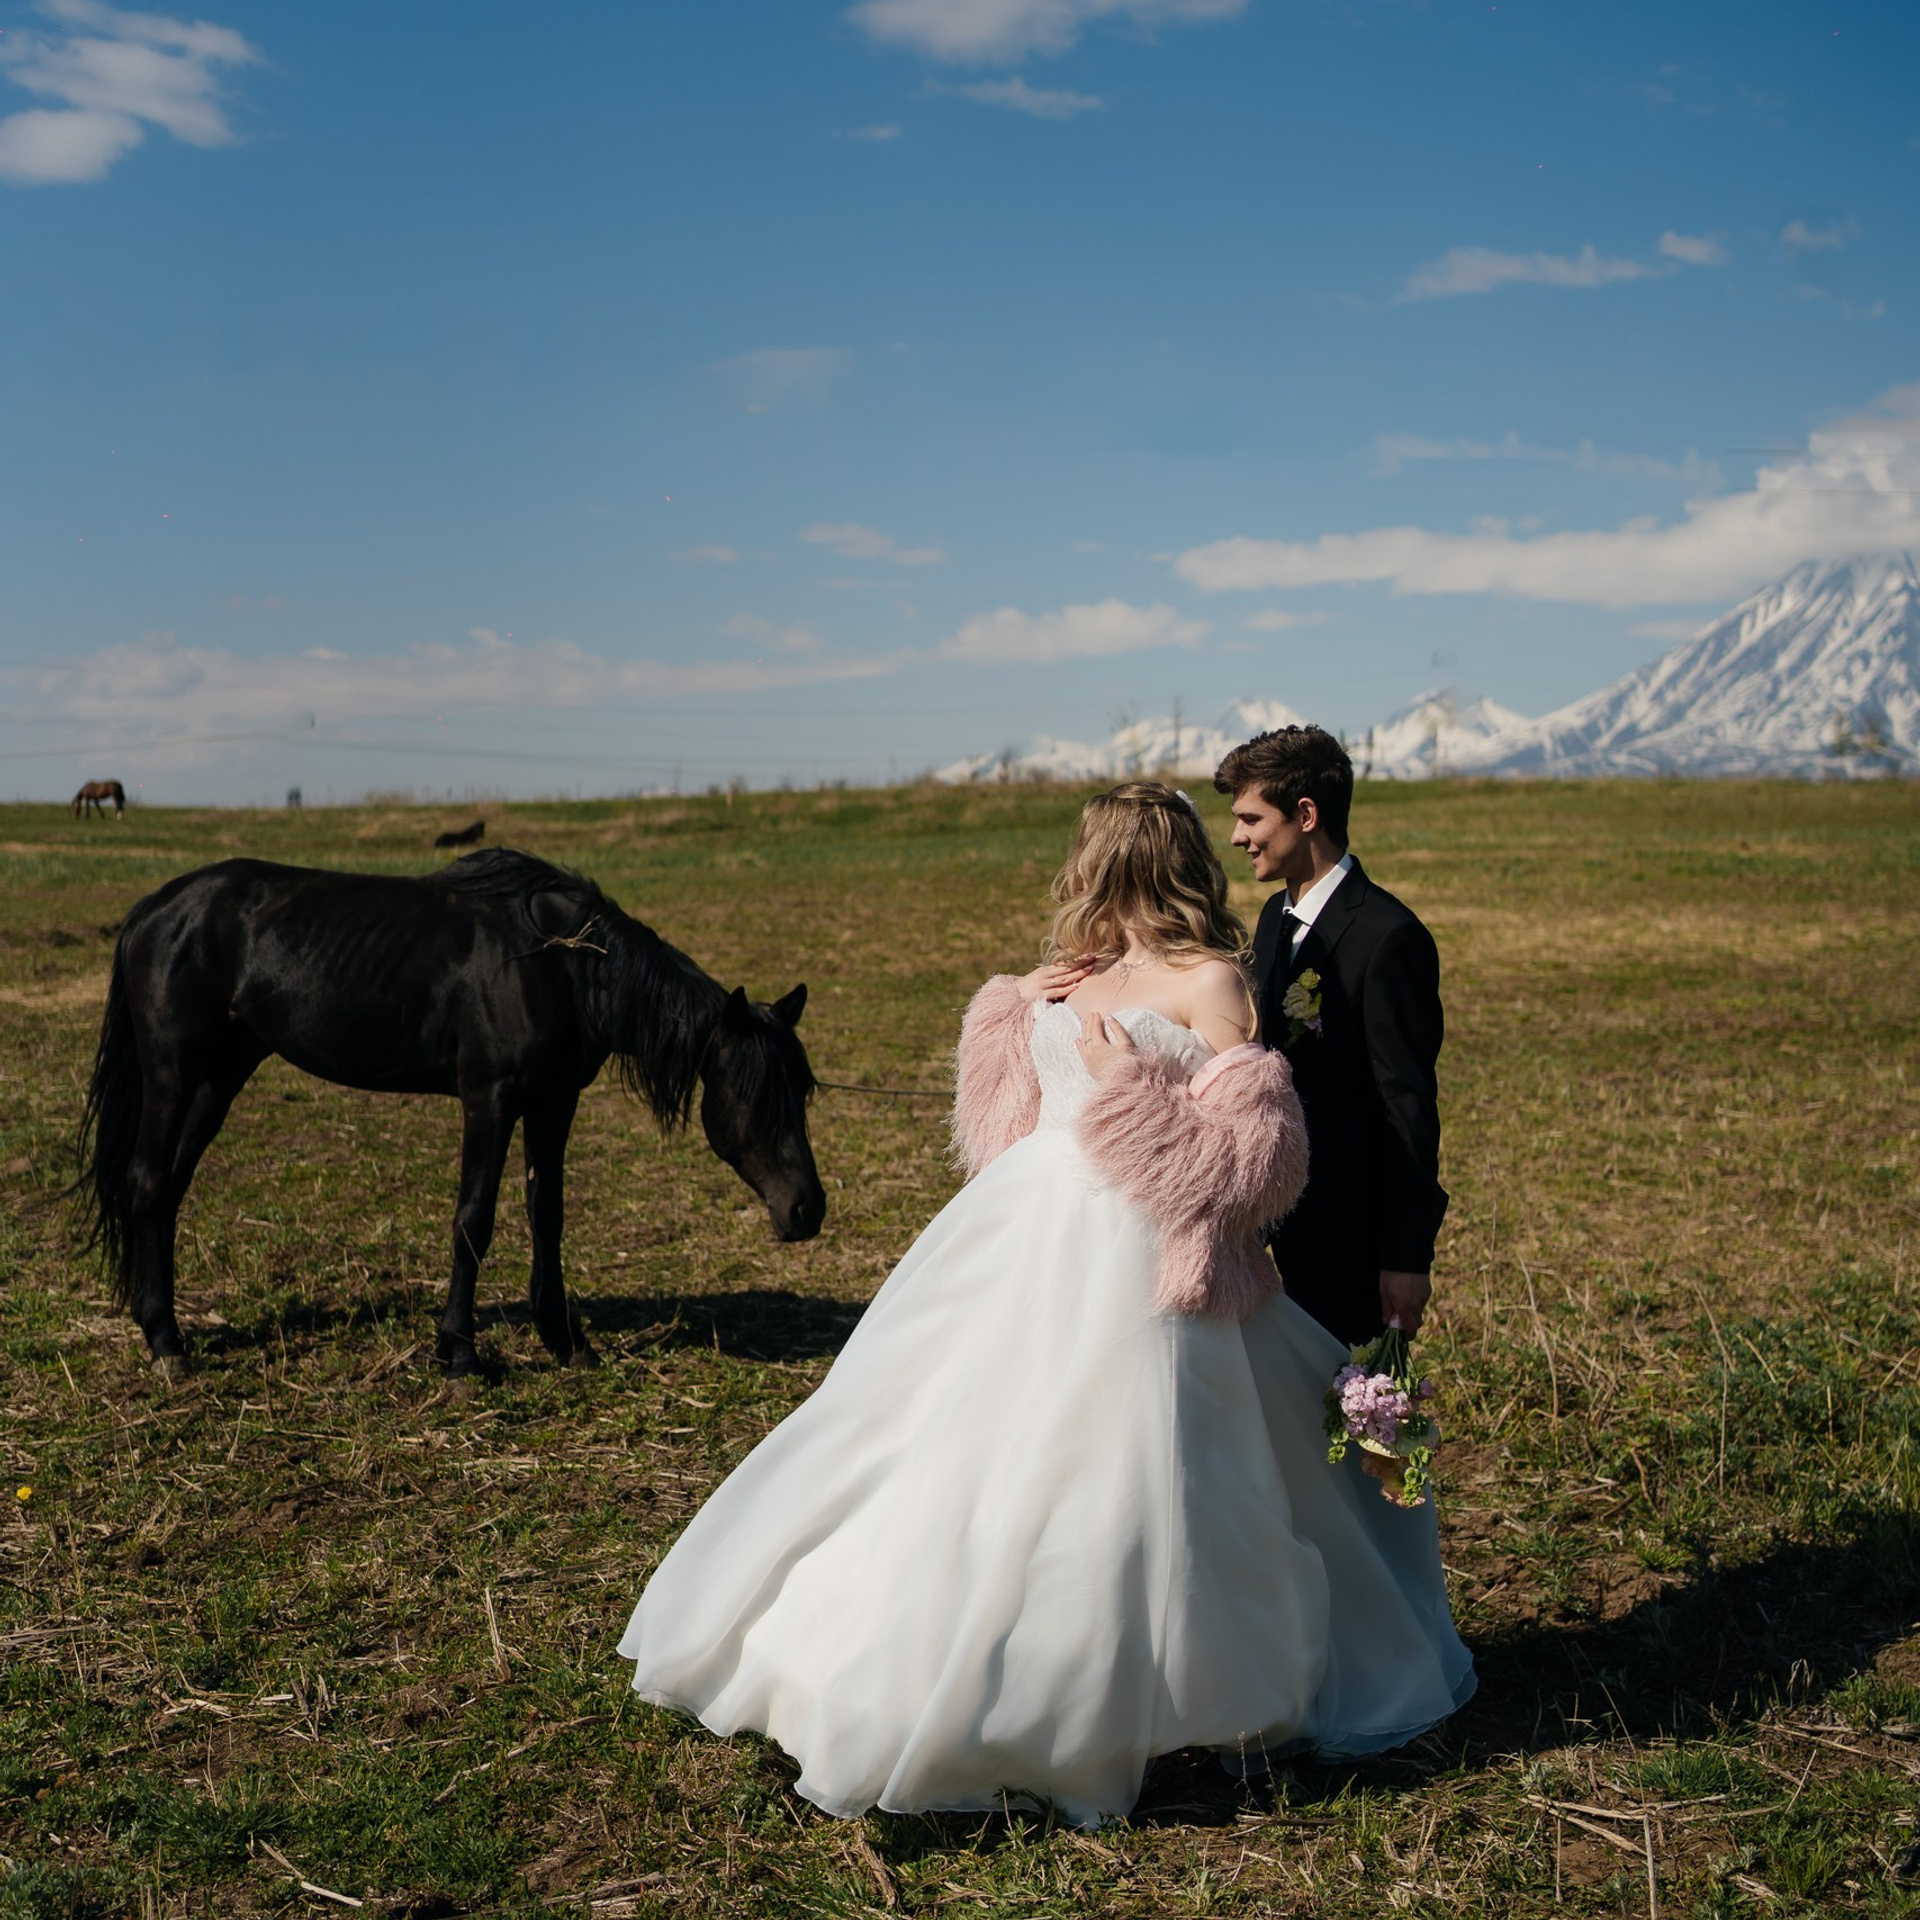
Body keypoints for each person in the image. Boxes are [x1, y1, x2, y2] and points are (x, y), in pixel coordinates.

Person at [618, 782, 1472, 1827]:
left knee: (1138, 1467)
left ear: (1115, 860)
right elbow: (1010, 1112)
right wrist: (1014, 1006)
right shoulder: (1074, 971)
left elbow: (1255, 1162)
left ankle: (1135, 1686)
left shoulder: (1214, 982)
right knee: (954, 1439)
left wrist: (1132, 1088)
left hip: (1142, 1246)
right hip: (1031, 1228)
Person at [1214, 727, 1448, 1348]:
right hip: (1272, 1227)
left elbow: (1408, 1107)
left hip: (1350, 1237)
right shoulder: (1273, 917)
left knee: (1342, 1402)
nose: (1236, 836)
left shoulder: (1389, 937)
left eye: (1250, 818)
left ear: (1306, 815)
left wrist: (1406, 1256)